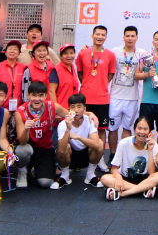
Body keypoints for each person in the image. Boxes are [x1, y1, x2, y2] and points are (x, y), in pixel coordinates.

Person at [15, 81, 72, 189]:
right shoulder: (20, 112)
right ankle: (22, 171)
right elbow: (22, 141)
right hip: (28, 146)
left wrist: (89, 114)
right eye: (34, 95)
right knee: (22, 150)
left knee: (45, 183)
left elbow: (70, 114)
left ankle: (36, 169)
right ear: (28, 96)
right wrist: (26, 129)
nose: (37, 99)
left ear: (45, 96)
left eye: (41, 95)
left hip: (45, 148)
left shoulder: (52, 106)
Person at [101, 115, 158, 200]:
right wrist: (118, 177)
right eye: (139, 128)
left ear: (150, 132)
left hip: (145, 179)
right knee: (105, 179)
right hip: (126, 179)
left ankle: (124, 193)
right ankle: (143, 190)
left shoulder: (154, 146)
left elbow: (151, 173)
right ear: (135, 129)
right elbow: (114, 169)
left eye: (145, 129)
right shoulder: (124, 143)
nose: (142, 132)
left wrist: (150, 150)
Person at [76, 25, 115, 167]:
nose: (100, 37)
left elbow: (110, 75)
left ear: (106, 37)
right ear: (92, 36)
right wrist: (88, 85)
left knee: (101, 130)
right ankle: (81, 159)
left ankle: (100, 158)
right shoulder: (83, 54)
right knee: (82, 127)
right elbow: (80, 73)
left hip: (102, 98)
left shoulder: (110, 55)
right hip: (85, 98)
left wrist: (101, 85)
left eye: (103, 35)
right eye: (97, 34)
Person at [109, 26, 146, 165]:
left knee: (127, 128)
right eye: (127, 36)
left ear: (137, 38)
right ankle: (112, 155)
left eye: (132, 36)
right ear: (123, 37)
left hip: (132, 98)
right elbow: (100, 54)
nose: (130, 38)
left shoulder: (142, 53)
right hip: (115, 97)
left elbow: (156, 58)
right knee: (113, 128)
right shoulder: (115, 51)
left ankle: (124, 156)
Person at [56, 93, 104, 186]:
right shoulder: (62, 124)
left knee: (100, 143)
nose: (76, 110)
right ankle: (65, 176)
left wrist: (77, 137)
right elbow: (61, 151)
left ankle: (90, 175)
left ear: (84, 109)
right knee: (65, 146)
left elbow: (96, 144)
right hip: (71, 157)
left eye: (79, 106)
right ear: (68, 110)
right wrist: (68, 129)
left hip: (86, 155)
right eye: (73, 107)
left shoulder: (90, 121)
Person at [0, 40, 25, 111]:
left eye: (15, 49)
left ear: (19, 53)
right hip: (1, 107)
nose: (12, 51)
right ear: (5, 52)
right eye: (10, 49)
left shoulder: (24, 68)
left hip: (19, 107)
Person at [49, 44, 81, 110]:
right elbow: (51, 91)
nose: (69, 56)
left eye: (71, 53)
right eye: (66, 53)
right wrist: (56, 110)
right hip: (61, 110)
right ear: (61, 56)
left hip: (73, 109)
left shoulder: (72, 68)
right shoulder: (56, 70)